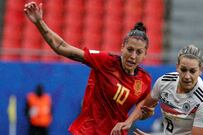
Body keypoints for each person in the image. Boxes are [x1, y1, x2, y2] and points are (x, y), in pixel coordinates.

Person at [24, 1, 152, 135]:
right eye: (130, 49)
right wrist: (39, 23)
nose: (133, 56)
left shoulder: (145, 80)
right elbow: (62, 47)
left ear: (145, 54)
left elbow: (144, 107)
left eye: (139, 52)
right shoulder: (105, 62)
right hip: (87, 131)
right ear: (122, 47)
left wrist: (131, 120)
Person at [111, 45, 203, 135]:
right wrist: (128, 122)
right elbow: (145, 106)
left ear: (200, 70)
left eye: (192, 71)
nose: (187, 76)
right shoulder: (164, 82)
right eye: (183, 70)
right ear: (177, 67)